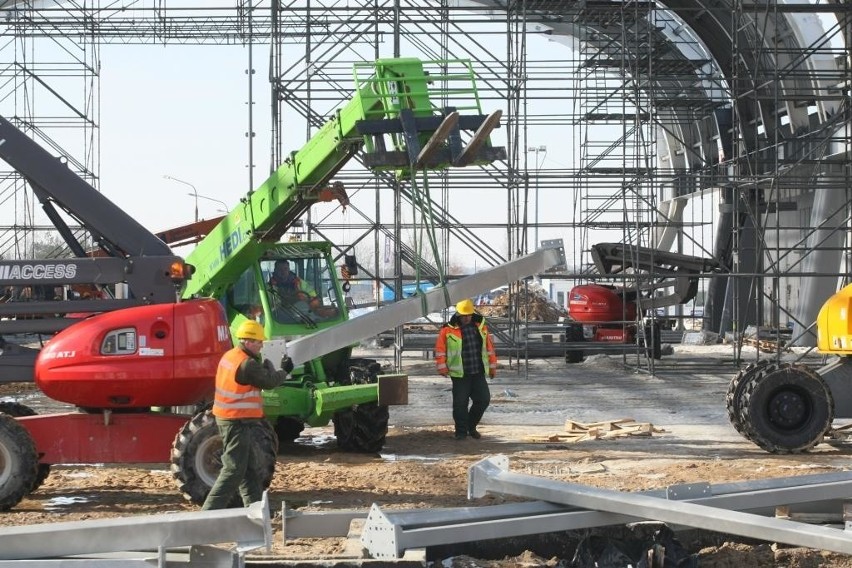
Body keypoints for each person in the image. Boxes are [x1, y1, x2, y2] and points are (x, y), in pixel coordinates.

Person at [202, 320, 293, 510]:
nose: (261, 345)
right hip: (236, 420)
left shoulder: (231, 356)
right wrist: (284, 371)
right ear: (248, 341)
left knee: (249, 469)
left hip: (231, 417)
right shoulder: (247, 364)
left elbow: (258, 378)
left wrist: (266, 367)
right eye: (259, 342)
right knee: (234, 469)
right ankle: (208, 513)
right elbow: (268, 383)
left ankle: (256, 510)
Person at [434, 298, 497, 440]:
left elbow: (489, 348)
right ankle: (461, 433)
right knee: (460, 404)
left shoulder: (480, 327)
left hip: (478, 372)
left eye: (468, 315)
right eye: (464, 316)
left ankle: (470, 426)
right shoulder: (447, 330)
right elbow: (440, 350)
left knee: (483, 399)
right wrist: (442, 367)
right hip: (459, 374)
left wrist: (492, 367)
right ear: (458, 315)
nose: (467, 318)